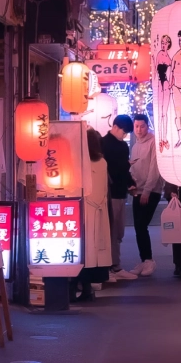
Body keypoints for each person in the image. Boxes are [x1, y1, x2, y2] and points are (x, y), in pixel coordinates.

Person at [73, 128, 114, 301]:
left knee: (81, 252)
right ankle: (88, 289)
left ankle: (78, 288)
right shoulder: (102, 162)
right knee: (93, 252)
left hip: (83, 212)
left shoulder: (78, 162)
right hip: (100, 210)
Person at [101, 115, 138, 281]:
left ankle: (113, 265)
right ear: (115, 126)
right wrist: (126, 167)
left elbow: (123, 170)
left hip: (120, 192)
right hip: (109, 193)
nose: (125, 135)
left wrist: (130, 182)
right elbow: (112, 170)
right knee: (113, 230)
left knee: (118, 231)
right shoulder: (103, 144)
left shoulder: (122, 146)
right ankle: (113, 266)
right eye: (124, 132)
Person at [129, 114, 163, 277]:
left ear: (147, 126)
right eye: (136, 126)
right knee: (138, 227)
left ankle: (149, 260)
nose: (139, 129)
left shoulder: (153, 143)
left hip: (151, 191)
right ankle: (144, 260)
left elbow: (154, 169)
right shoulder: (135, 145)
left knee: (142, 225)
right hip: (137, 190)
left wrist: (147, 191)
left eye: (142, 126)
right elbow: (134, 167)